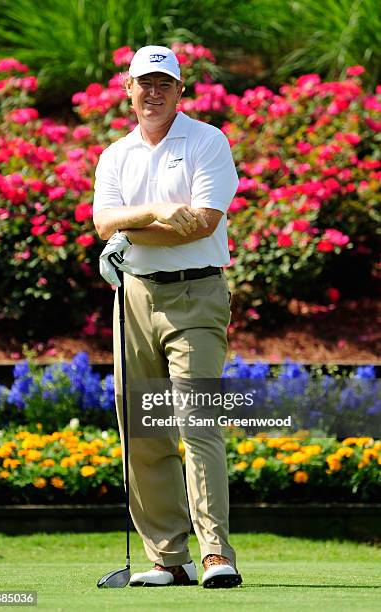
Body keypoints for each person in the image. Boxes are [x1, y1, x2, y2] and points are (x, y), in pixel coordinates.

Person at [93, 45, 242, 588]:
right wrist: (154, 212)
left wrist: (126, 229)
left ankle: (214, 555)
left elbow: (202, 224)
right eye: (143, 84)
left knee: (196, 420)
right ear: (128, 90)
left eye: (164, 84)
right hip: (133, 297)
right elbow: (102, 222)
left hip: (196, 294)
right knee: (143, 428)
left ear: (181, 91)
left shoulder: (207, 141)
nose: (152, 93)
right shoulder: (115, 155)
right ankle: (167, 557)